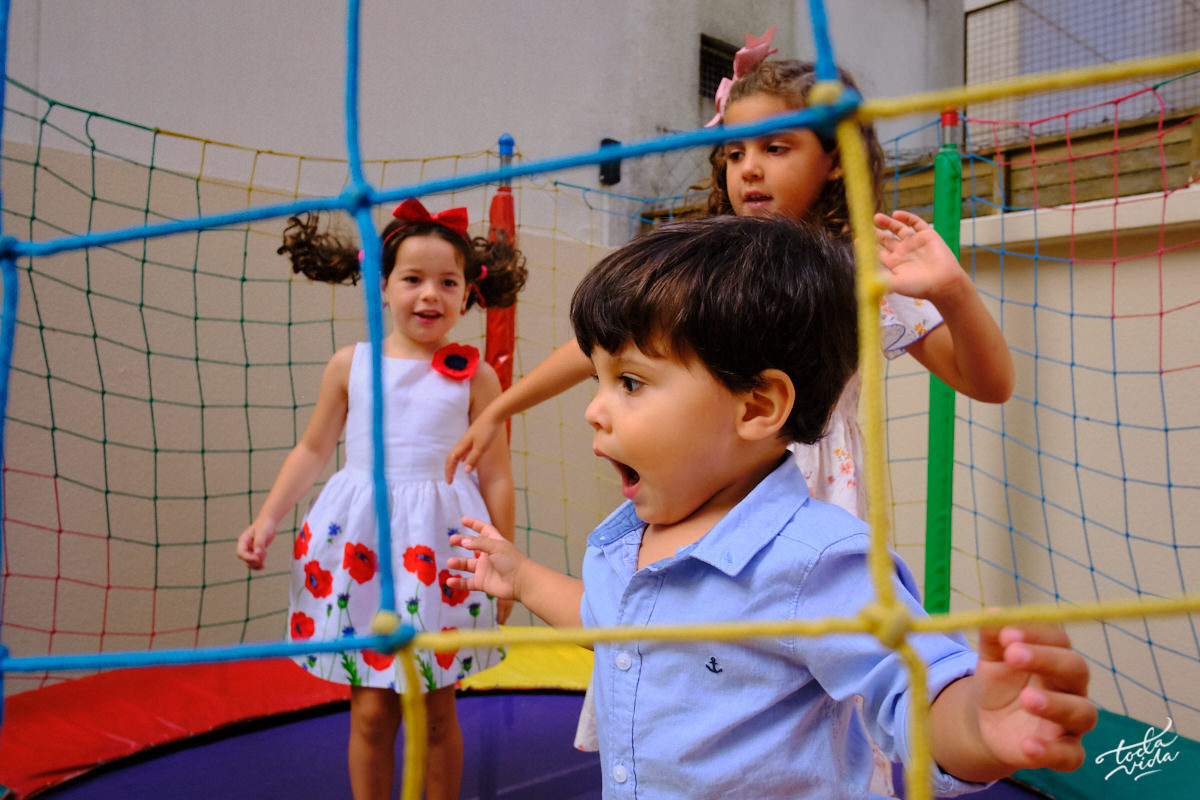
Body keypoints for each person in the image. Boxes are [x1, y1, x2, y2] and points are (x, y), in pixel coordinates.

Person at [443, 30, 1016, 778]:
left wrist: (951, 292)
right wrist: (500, 406)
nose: (749, 167)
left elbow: (989, 381)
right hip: (703, 475)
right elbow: (596, 349)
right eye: (737, 151)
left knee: (813, 675)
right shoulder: (700, 264)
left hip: (805, 488)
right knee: (680, 636)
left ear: (835, 159)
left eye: (776, 147)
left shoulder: (860, 274)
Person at [445, 215, 1095, 799]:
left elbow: (913, 686)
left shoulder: (816, 560)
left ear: (756, 408)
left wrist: (976, 725)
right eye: (601, 380)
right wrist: (523, 577)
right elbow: (608, 617)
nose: (594, 407)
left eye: (632, 383)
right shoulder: (630, 537)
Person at [236, 198, 527, 800]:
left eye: (448, 282)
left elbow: (496, 476)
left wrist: (507, 565)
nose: (430, 295)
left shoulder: (477, 378)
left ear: (469, 292)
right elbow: (313, 450)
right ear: (382, 286)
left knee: (438, 711)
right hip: (361, 543)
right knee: (370, 712)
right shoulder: (352, 364)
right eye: (413, 280)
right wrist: (268, 517)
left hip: (441, 548)